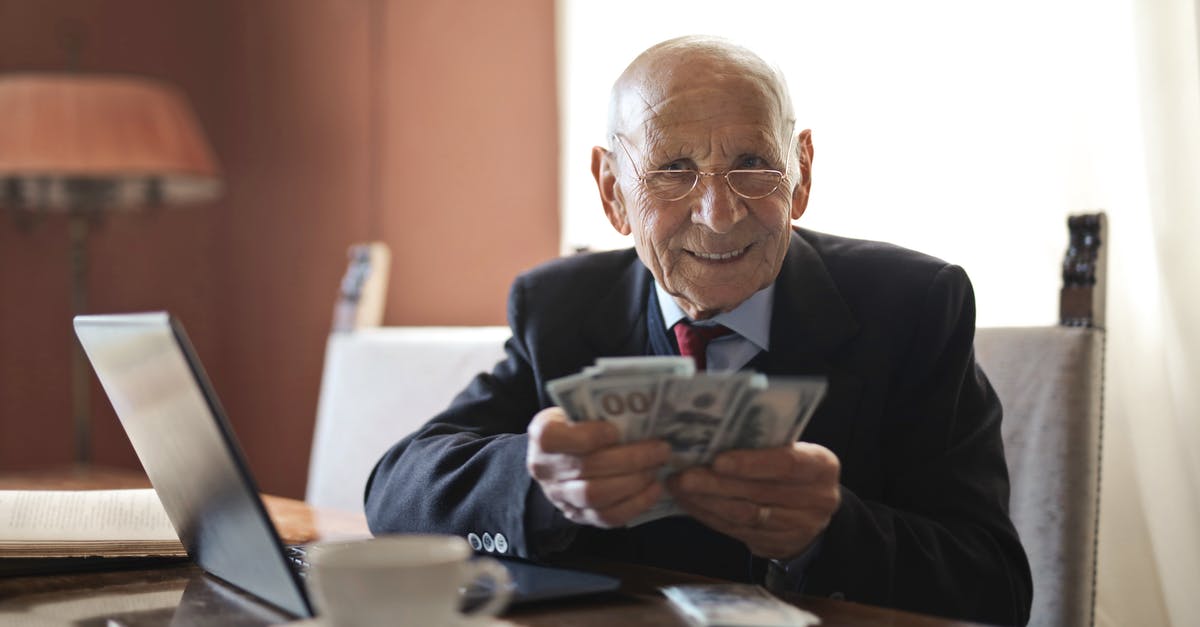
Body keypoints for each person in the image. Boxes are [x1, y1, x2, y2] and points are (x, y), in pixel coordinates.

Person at [365, 35, 1032, 625]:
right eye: (674, 170)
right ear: (611, 191)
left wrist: (828, 532)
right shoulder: (562, 307)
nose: (718, 214)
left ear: (800, 173)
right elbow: (396, 492)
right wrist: (543, 486)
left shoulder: (913, 305)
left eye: (752, 163)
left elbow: (995, 587)